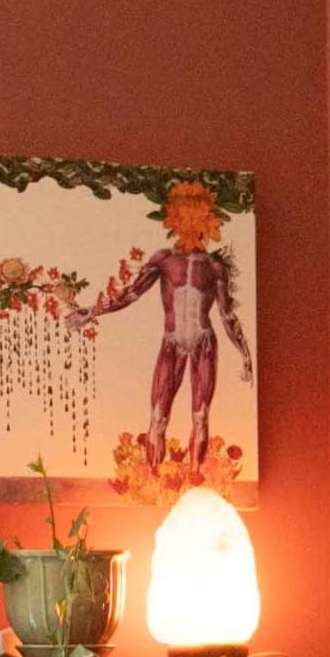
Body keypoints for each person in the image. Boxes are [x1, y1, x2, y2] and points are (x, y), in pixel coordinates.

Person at [74, 178, 254, 469]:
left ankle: (195, 475)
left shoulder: (214, 267)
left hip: (204, 344)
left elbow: (227, 315)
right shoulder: (165, 260)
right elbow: (130, 294)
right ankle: (154, 474)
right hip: (172, 343)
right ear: (175, 220)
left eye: (199, 217)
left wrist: (245, 355)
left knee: (201, 415)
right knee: (158, 415)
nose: (192, 223)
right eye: (186, 216)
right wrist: (93, 311)